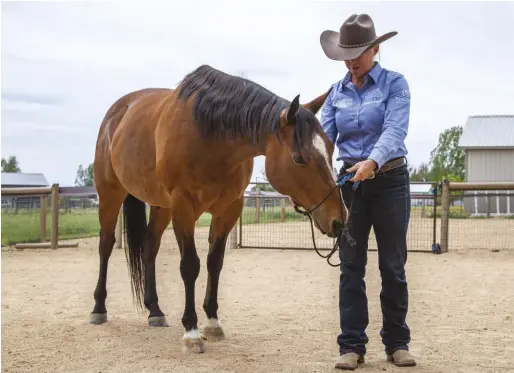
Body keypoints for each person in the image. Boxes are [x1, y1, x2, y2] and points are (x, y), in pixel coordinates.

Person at [318, 14, 416, 370]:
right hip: (350, 188)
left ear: (375, 49)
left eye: (358, 52)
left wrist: (371, 163)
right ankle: (352, 346)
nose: (351, 60)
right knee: (350, 267)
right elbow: (323, 139)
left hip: (389, 181)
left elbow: (394, 131)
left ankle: (397, 343)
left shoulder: (395, 84)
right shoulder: (336, 93)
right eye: (346, 53)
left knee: (393, 265)